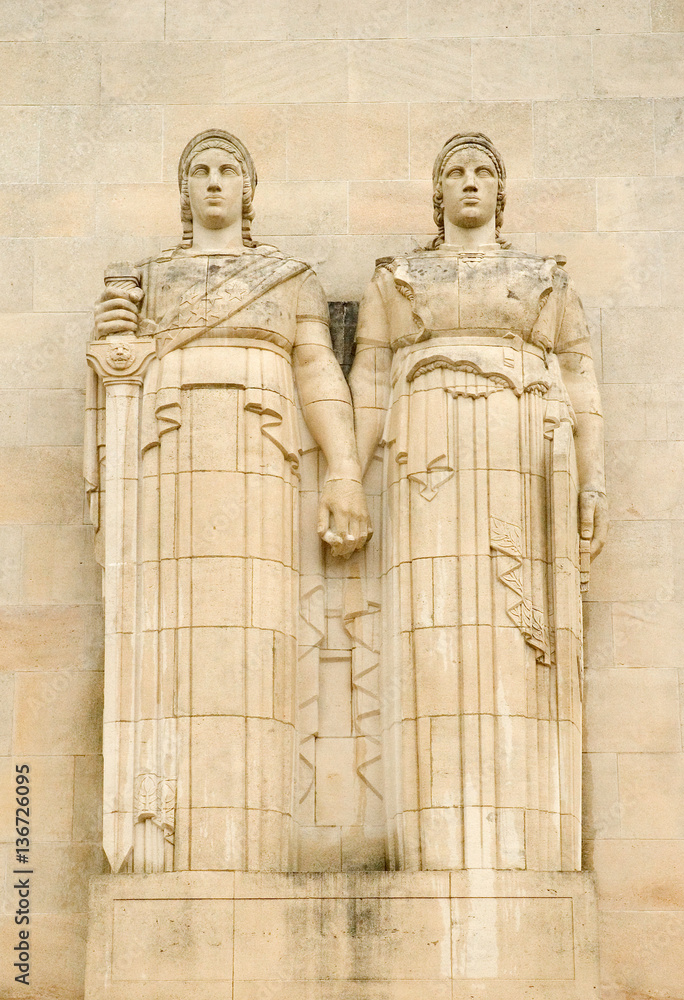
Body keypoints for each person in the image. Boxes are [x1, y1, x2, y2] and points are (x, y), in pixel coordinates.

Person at [88, 129, 370, 872]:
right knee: (171, 624)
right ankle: (162, 824)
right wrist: (115, 348)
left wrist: (343, 473)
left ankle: (249, 840)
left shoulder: (289, 277)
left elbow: (317, 372)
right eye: (200, 172)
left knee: (257, 625)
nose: (214, 181)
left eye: (228, 171)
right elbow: (118, 371)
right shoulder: (145, 279)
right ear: (184, 192)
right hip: (170, 452)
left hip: (260, 450)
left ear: (250, 191)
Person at [349, 133, 607, 872]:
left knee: (518, 637)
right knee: (433, 621)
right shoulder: (400, 277)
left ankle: (522, 833)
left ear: (500, 192)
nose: (468, 182)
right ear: (438, 196)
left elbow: (581, 385)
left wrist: (595, 480)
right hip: (427, 448)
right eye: (454, 173)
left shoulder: (544, 278)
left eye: (482, 172)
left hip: (524, 446)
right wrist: (344, 478)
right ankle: (435, 835)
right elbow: (369, 380)